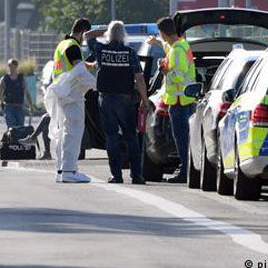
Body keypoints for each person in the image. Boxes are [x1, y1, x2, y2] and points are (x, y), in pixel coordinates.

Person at [85, 21, 150, 185]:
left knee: (111, 137)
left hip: (105, 99)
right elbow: (139, 78)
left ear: (109, 34)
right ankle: (136, 176)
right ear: (123, 35)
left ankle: (116, 175)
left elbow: (87, 35)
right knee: (131, 137)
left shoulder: (101, 50)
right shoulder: (130, 53)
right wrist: (144, 99)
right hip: (126, 100)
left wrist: (105, 30)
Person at [46, 18, 95, 183]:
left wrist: (89, 65)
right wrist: (96, 84)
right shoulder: (73, 47)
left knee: (63, 132)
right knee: (73, 132)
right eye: (85, 37)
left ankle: (61, 170)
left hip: (62, 94)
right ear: (83, 33)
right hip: (72, 95)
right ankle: (69, 171)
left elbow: (75, 66)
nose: (84, 41)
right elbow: (78, 70)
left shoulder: (63, 44)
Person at [148, 17, 196, 183]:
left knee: (181, 139)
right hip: (185, 100)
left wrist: (164, 70)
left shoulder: (177, 50)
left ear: (163, 32)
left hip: (178, 101)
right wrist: (157, 42)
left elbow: (179, 75)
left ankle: (184, 172)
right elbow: (169, 47)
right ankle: (187, 170)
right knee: (185, 139)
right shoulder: (182, 45)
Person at [0, 59, 34, 128]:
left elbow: (27, 93)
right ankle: (11, 138)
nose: (10, 68)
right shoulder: (4, 79)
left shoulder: (22, 78)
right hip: (9, 107)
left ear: (16, 66)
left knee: (20, 128)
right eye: (9, 66)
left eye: (12, 66)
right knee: (11, 127)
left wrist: (31, 106)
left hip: (19, 107)